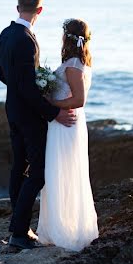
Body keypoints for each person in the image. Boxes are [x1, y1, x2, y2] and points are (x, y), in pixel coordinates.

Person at [0, 0, 77, 250]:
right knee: (39, 172)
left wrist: (27, 86)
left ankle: (20, 228)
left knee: (18, 168)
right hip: (29, 115)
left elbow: (3, 76)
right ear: (40, 10)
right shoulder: (26, 39)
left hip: (12, 110)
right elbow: (27, 87)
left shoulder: (6, 34)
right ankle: (19, 232)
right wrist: (53, 112)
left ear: (17, 7)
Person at [36, 18, 99, 251]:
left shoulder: (73, 64)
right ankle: (62, 226)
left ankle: (64, 230)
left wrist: (50, 102)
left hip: (65, 124)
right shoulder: (78, 62)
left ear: (67, 38)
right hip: (67, 123)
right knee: (63, 172)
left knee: (59, 172)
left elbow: (79, 100)